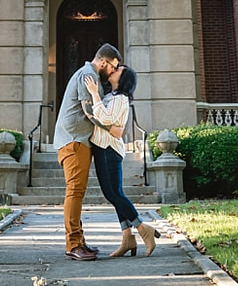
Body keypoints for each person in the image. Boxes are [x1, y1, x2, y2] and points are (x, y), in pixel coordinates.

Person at [53, 43, 121, 261]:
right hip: (74, 141)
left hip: (80, 141)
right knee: (74, 191)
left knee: (78, 192)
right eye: (112, 67)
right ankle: (73, 245)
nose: (112, 71)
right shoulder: (87, 74)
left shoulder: (90, 74)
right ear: (103, 62)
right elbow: (88, 110)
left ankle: (79, 241)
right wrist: (111, 128)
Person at [85, 64, 159, 257]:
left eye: (118, 70)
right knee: (113, 194)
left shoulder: (121, 99)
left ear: (123, 79)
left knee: (114, 194)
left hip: (109, 149)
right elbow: (104, 120)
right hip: (103, 148)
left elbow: (106, 117)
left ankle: (144, 229)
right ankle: (127, 238)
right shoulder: (111, 96)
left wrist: (93, 94)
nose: (113, 70)